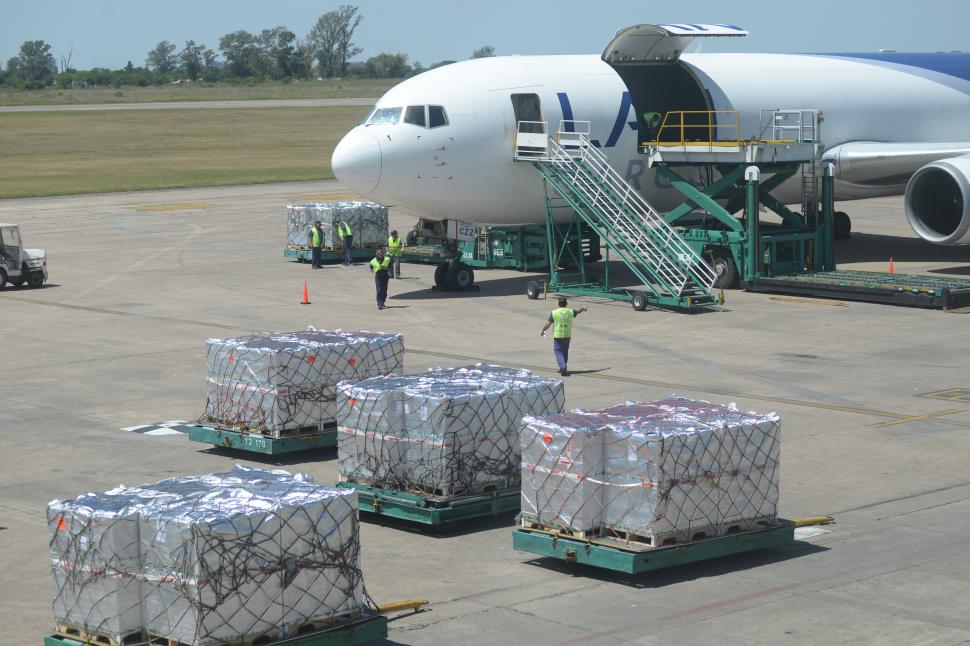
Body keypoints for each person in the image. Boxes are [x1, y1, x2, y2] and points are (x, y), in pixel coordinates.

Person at [540, 297, 588, 376]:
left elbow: (548, 324)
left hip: (558, 336)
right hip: (567, 335)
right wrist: (583, 308)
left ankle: (562, 366)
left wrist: (543, 330)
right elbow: (578, 312)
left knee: (558, 351)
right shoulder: (570, 311)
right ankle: (563, 366)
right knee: (565, 351)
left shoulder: (554, 312)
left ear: (558, 304)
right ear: (566, 304)